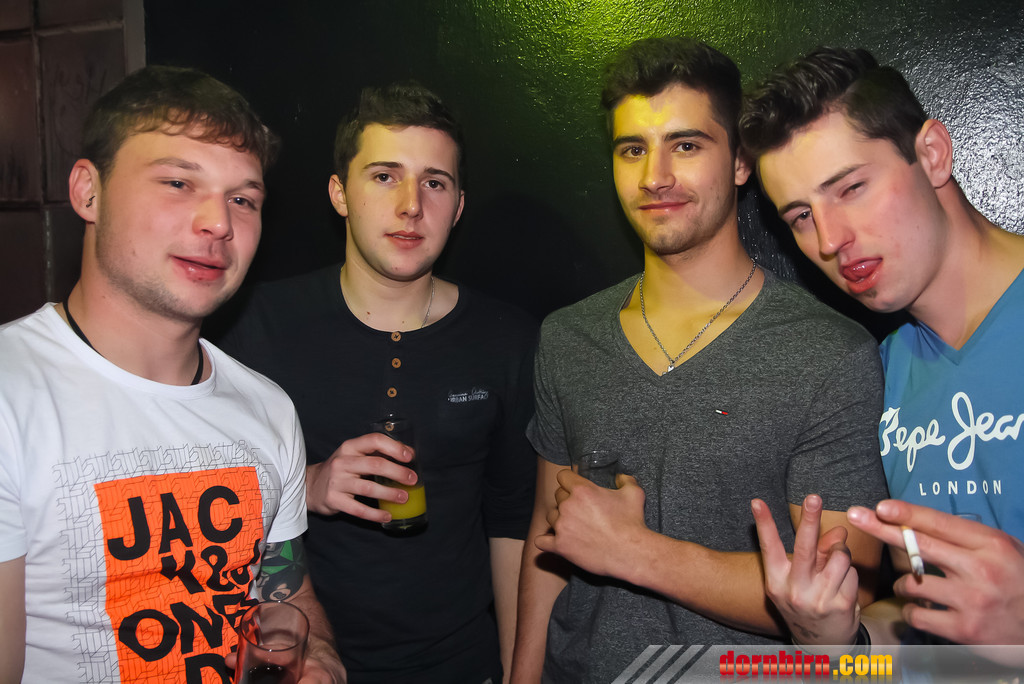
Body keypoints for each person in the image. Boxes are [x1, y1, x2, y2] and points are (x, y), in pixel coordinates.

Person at [510, 36, 888, 684]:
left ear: (740, 162)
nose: (655, 176)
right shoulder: (568, 337)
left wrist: (636, 552)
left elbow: (844, 589)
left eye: (685, 145)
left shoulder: (828, 353)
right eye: (632, 149)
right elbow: (550, 539)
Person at [0, 66, 345, 683]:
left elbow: (284, 592)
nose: (218, 222)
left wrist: (319, 655)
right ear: (88, 192)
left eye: (243, 199)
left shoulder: (268, 409)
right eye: (179, 182)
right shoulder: (12, 393)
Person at [215, 83, 537, 683]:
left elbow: (514, 523)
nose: (411, 205)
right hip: (301, 666)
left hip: (459, 668)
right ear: (339, 192)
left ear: (458, 206)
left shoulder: (507, 339)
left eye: (434, 183)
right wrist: (306, 486)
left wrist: (521, 674)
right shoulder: (253, 326)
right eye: (385, 176)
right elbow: (199, 498)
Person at [741, 46, 1024, 646]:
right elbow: (927, 616)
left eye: (851, 188)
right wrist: (839, 638)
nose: (829, 240)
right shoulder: (884, 373)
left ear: (933, 153)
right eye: (800, 216)